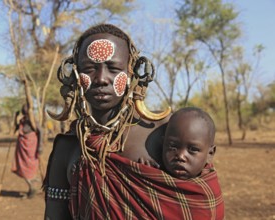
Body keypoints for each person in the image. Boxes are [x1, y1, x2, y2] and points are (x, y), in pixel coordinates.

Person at [43, 24, 223, 219]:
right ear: (76, 75)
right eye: (89, 68)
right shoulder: (68, 145)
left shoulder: (163, 132)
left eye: (113, 68)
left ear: (132, 72)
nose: (101, 79)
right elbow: (54, 215)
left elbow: (199, 200)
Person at [162, 106, 217, 180]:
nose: (181, 156)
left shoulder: (208, 188)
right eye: (173, 146)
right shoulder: (148, 176)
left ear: (210, 153)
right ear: (162, 144)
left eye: (193, 149)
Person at [11, 103, 42, 198]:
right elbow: (16, 129)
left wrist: (40, 146)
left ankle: (32, 188)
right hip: (22, 149)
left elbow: (40, 131)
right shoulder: (22, 120)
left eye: (25, 108)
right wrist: (15, 117)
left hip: (30, 148)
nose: (23, 109)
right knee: (22, 167)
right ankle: (31, 188)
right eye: (23, 108)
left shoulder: (32, 120)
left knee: (28, 168)